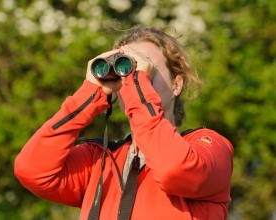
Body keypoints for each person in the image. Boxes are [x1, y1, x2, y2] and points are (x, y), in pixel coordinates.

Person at [14, 25, 234, 220]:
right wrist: (89, 96)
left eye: (147, 70)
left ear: (176, 85)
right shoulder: (100, 160)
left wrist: (138, 84)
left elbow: (174, 171)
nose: (133, 80)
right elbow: (32, 171)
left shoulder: (209, 147)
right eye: (125, 72)